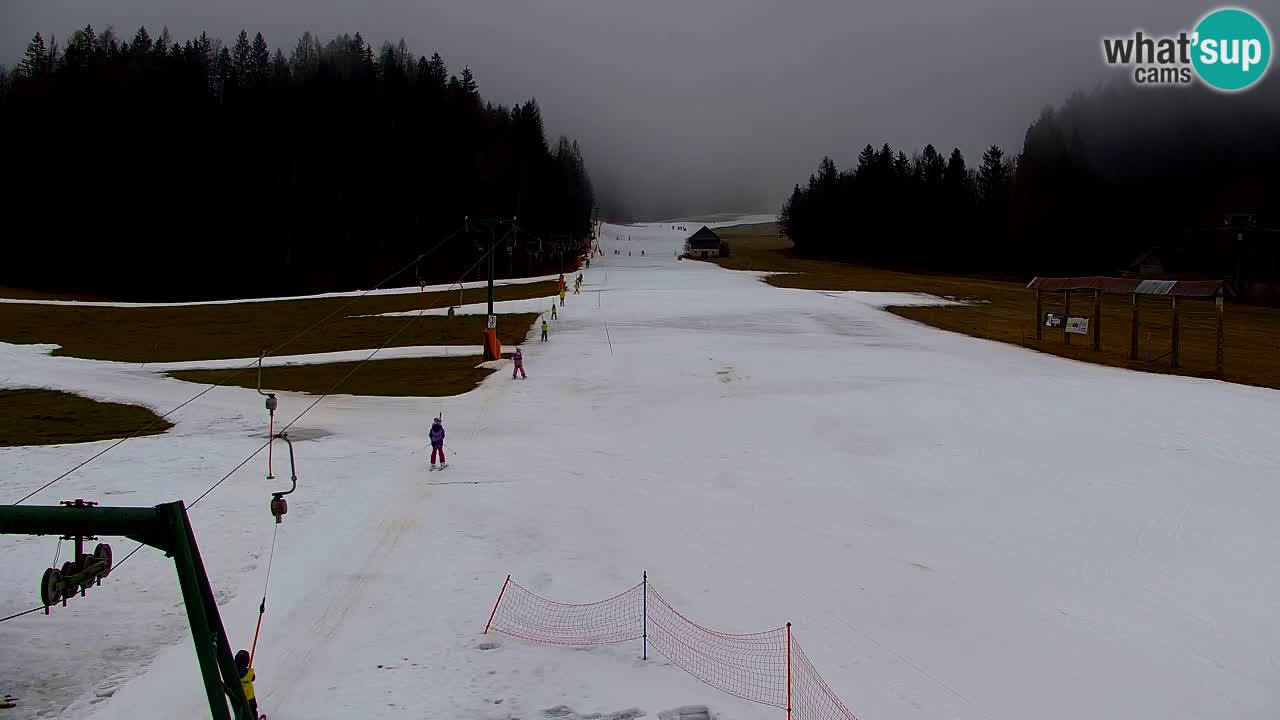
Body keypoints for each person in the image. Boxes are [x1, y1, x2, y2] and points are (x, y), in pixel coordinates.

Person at [235, 650, 261, 720]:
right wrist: (247, 670)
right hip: (250, 697)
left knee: (242, 712)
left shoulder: (234, 674)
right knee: (253, 710)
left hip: (239, 697)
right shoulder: (250, 673)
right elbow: (253, 678)